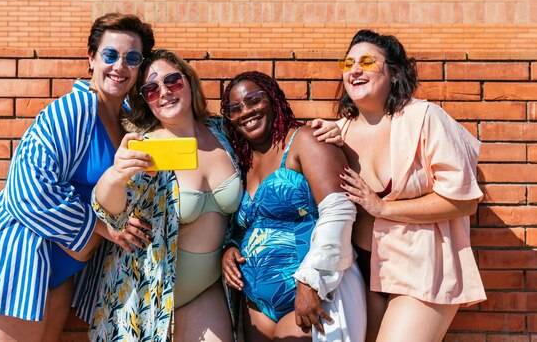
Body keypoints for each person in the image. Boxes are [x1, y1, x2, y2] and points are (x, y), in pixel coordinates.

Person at [0, 12, 155, 342]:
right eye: (110, 55)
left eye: (132, 58)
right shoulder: (71, 110)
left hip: (58, 269)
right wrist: (105, 227)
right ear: (91, 58)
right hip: (15, 257)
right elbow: (26, 188)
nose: (120, 66)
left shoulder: (128, 122)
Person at [335, 29, 486, 342]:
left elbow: (463, 200)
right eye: (347, 63)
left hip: (423, 266)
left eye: (366, 61)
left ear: (393, 72)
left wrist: (383, 207)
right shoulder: (339, 131)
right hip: (361, 270)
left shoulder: (424, 118)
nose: (355, 70)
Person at [83, 49, 243, 342]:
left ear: (189, 82)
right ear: (145, 100)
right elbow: (109, 208)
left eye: (172, 81)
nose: (165, 92)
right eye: (151, 89)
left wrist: (335, 130)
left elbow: (270, 152)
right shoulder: (148, 148)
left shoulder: (223, 133)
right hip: (147, 295)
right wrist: (116, 175)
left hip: (206, 290)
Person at [220, 71, 366, 342]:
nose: (246, 112)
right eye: (235, 108)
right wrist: (232, 246)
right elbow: (251, 224)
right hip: (256, 306)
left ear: (273, 99)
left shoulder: (306, 140)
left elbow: (339, 211)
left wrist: (312, 282)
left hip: (313, 294)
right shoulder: (243, 161)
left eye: (254, 100)